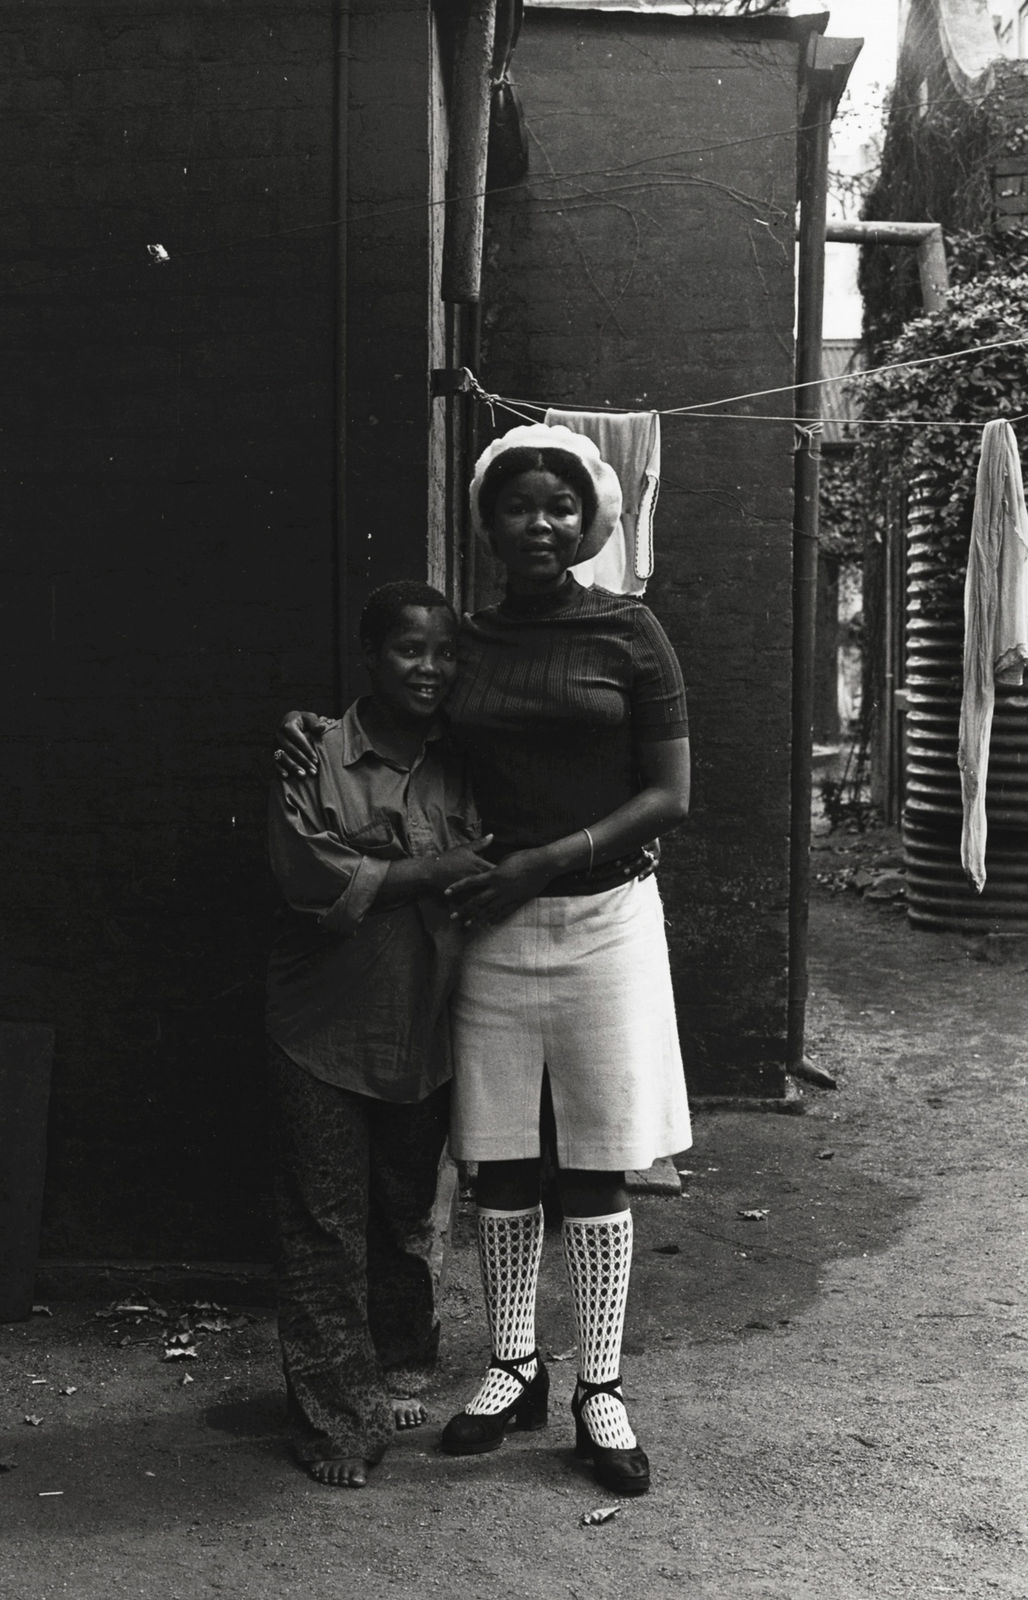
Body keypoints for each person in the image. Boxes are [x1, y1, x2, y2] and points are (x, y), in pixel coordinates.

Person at [278, 423, 692, 1497]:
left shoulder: (632, 633)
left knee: (594, 1160)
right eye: (519, 507)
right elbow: (404, 719)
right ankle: (515, 1365)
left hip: (601, 918)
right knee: (502, 1160)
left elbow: (670, 795)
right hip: (492, 928)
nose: (541, 524)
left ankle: (600, 1387)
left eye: (561, 506)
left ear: (591, 518)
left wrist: (553, 856)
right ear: (489, 524)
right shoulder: (468, 640)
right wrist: (314, 735)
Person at [266, 580, 493, 1489]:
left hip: (427, 1024)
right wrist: (436, 867)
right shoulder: (313, 753)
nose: (430, 668)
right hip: (320, 1028)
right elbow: (308, 874)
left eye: (444, 652)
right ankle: (336, 1422)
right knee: (323, 1228)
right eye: (410, 650)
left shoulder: (469, 757)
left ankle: (397, 1368)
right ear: (371, 657)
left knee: (404, 1218)